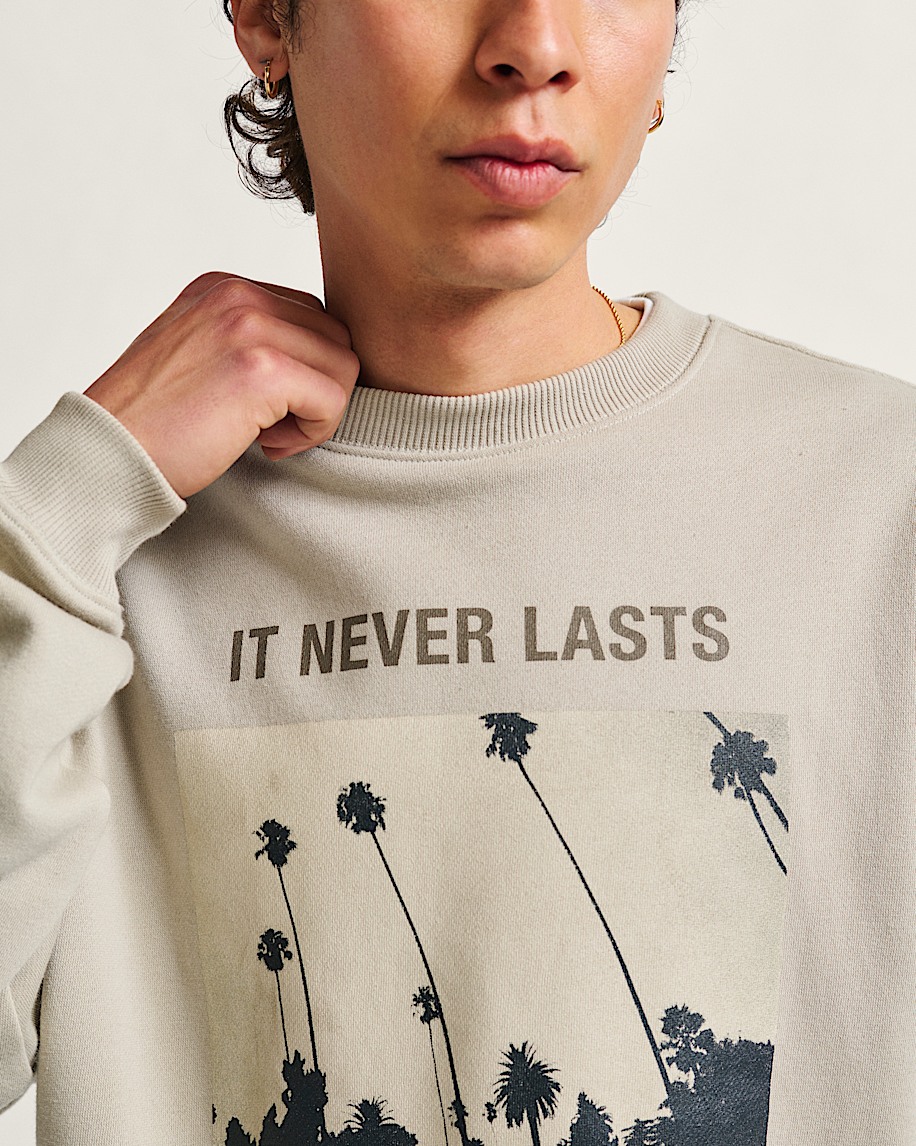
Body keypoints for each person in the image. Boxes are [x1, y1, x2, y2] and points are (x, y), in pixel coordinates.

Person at [0, 1, 912, 1144]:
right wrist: (56, 510)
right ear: (267, 20)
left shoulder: (882, 504)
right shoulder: (89, 576)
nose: (535, 45)